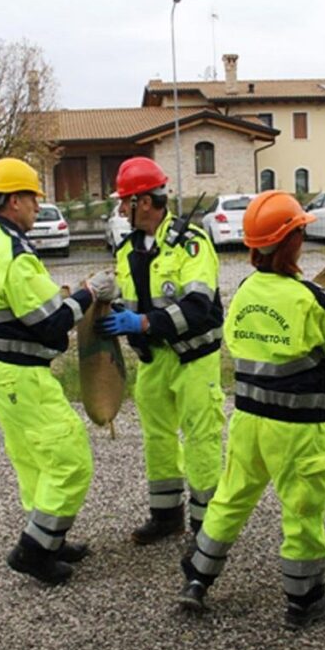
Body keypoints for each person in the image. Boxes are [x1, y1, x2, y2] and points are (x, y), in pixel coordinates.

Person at [176, 191, 325, 628]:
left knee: (230, 499)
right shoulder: (312, 299)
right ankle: (304, 600)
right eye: (301, 231)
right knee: (302, 509)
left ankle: (197, 579)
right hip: (295, 427)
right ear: (291, 240)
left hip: (248, 420)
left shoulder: (246, 290)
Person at [0, 157, 117, 585]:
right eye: (33, 198)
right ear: (15, 200)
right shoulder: (15, 253)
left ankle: (51, 536)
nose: (37, 206)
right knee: (69, 458)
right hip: (22, 373)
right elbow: (51, 322)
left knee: (33, 459)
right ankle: (33, 552)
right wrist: (90, 293)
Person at [96, 157, 225, 544]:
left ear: (145, 202)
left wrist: (146, 323)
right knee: (157, 437)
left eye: (125, 202)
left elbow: (200, 308)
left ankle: (208, 526)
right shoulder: (127, 249)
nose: (120, 209)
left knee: (201, 438)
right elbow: (132, 298)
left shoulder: (191, 245)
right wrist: (110, 306)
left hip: (193, 359)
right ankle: (167, 515)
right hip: (153, 361)